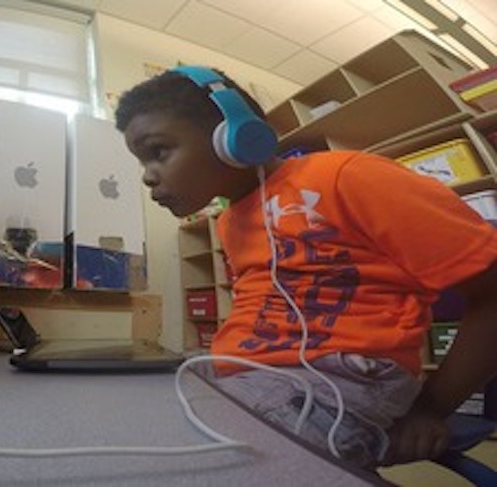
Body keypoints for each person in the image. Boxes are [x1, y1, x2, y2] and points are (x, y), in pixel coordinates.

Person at [114, 66, 497, 468]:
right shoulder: (230, 221)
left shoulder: (344, 176)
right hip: (246, 375)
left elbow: (491, 292)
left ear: (233, 134)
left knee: (192, 462)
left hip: (337, 378)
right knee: (133, 416)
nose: (148, 177)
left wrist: (430, 408)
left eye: (158, 151)